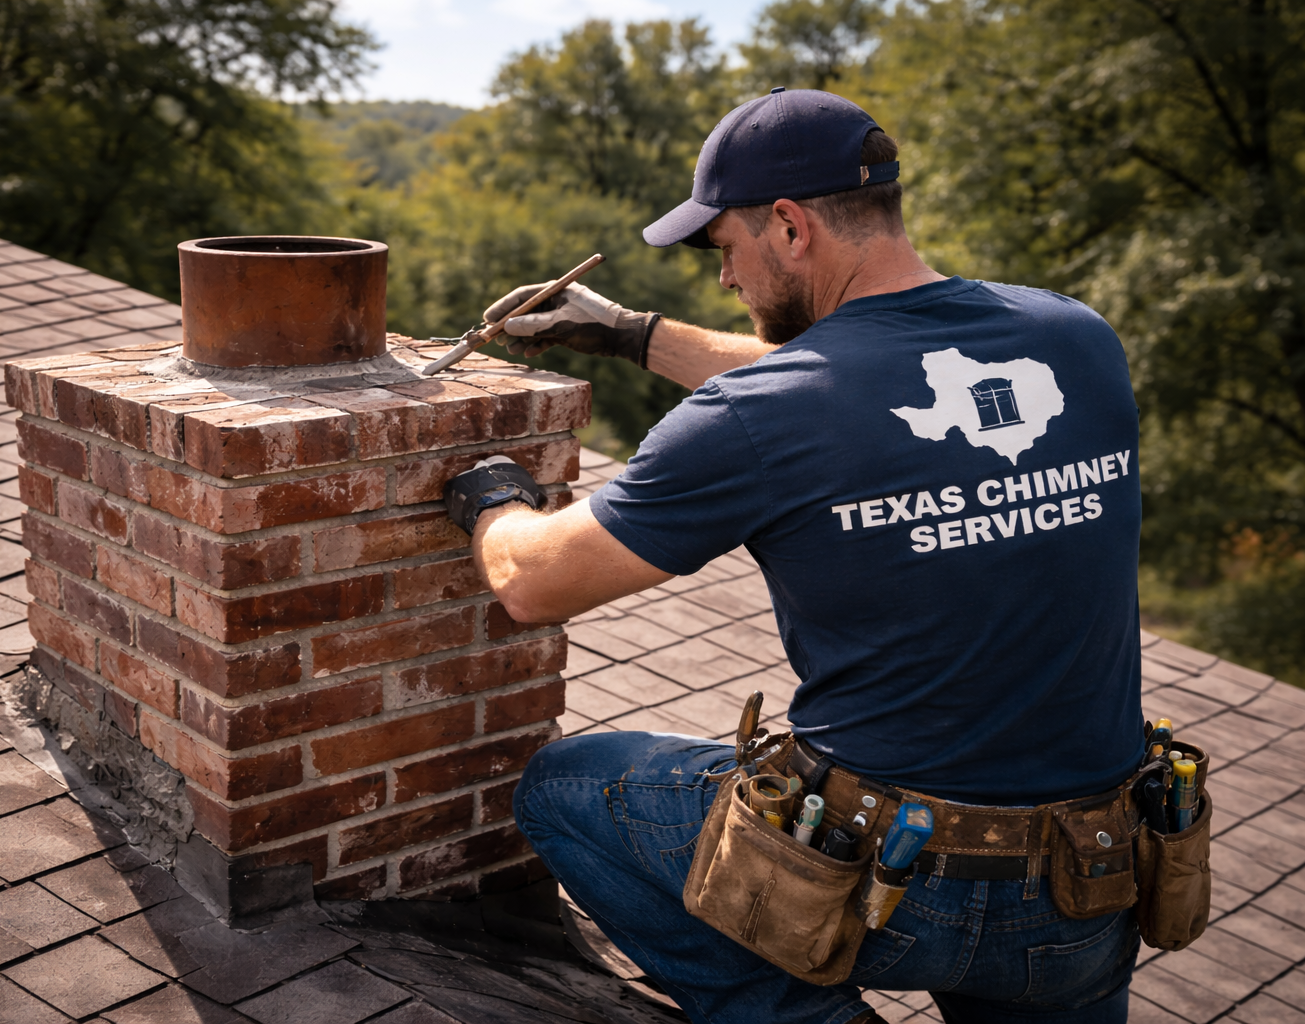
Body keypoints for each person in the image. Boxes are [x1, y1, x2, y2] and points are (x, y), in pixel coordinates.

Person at [440, 88, 1145, 1024]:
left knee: (565, 788)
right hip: (1090, 891)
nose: (724, 278)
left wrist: (489, 495)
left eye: (723, 247)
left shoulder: (761, 415)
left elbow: (533, 582)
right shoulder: (1077, 341)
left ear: (787, 225)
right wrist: (627, 333)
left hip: (890, 886)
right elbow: (850, 387)